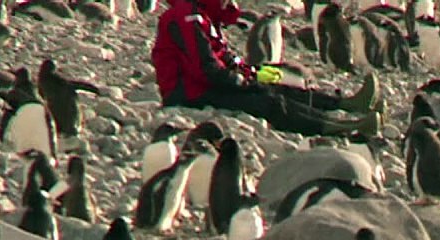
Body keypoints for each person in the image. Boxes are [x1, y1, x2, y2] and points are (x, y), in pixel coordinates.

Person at [151, 0, 381, 137]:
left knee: (277, 89)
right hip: (189, 94)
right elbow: (205, 68)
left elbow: (222, 57)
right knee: (269, 102)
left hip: (204, 86)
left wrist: (249, 73)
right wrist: (240, 82)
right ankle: (341, 127)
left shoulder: (201, 16)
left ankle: (346, 105)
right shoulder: (185, 16)